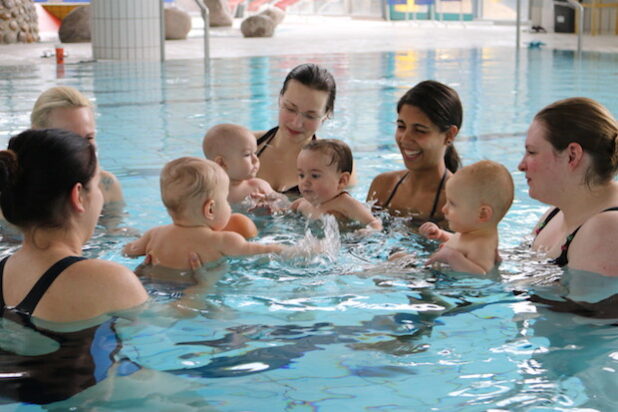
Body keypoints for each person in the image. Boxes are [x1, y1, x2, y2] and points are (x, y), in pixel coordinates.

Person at [0, 128, 148, 404]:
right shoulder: (110, 279)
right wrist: (204, 279)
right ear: (78, 195)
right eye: (99, 184)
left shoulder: (4, 268)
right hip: (92, 400)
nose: (102, 198)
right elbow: (163, 325)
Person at [123, 157, 286, 271]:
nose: (229, 207)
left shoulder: (155, 234)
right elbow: (263, 250)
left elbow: (128, 251)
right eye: (226, 201)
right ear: (210, 209)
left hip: (153, 284)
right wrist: (296, 250)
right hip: (195, 289)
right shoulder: (223, 240)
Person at [518, 97, 618, 277]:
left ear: (572, 155)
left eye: (532, 152)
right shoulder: (556, 212)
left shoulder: (608, 229)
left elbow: (582, 305)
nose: (521, 165)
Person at [367, 80, 462, 228]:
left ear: (449, 135)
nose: (404, 138)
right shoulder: (383, 186)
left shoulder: (456, 200)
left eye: (420, 130)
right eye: (401, 126)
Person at [30, 86, 124, 212]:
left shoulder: (106, 186)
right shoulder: (12, 194)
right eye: (70, 138)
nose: (82, 148)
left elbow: (116, 229)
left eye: (89, 137)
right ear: (37, 136)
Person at [418, 160, 514, 274]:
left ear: (482, 214)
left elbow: (482, 275)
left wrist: (451, 256)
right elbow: (460, 243)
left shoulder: (481, 245)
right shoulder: (470, 233)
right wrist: (441, 234)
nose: (444, 209)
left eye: (452, 204)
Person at [254, 63, 337, 195]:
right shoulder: (243, 147)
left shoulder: (335, 165)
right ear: (280, 99)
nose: (297, 123)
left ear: (326, 115)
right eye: (290, 109)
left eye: (311, 115)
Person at [291, 139, 382, 231]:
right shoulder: (302, 204)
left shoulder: (346, 204)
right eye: (301, 175)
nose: (305, 182)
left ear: (341, 181)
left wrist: (367, 231)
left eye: (315, 176)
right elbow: (285, 213)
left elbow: (375, 223)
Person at [203, 123, 288, 210]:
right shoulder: (208, 192)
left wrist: (272, 203)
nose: (256, 160)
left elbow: (285, 204)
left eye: (255, 153)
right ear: (221, 163)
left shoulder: (258, 186)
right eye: (247, 154)